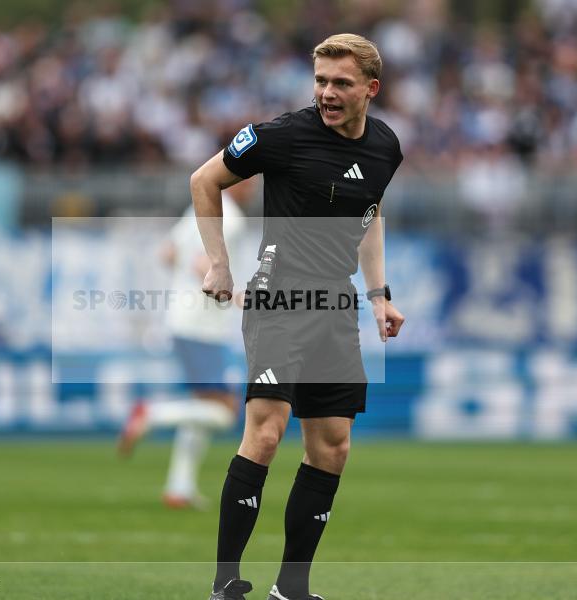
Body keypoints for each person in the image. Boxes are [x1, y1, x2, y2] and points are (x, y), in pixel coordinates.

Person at [191, 34, 406, 600]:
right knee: (265, 432)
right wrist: (219, 264)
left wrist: (378, 293)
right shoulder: (283, 136)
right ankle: (225, 583)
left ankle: (291, 588)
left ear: (371, 89)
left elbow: (370, 215)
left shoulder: (386, 146)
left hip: (335, 304)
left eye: (341, 83)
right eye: (320, 81)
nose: (327, 93)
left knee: (333, 446)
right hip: (278, 297)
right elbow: (204, 180)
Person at [119, 179, 254, 509]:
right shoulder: (231, 219)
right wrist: (236, 296)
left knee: (203, 405)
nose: (254, 188)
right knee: (225, 412)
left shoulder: (198, 210)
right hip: (202, 326)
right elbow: (202, 265)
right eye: (252, 179)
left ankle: (179, 487)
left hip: (181, 318)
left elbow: (168, 254)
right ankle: (150, 414)